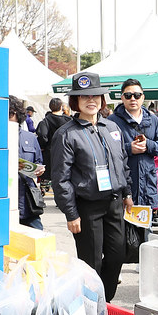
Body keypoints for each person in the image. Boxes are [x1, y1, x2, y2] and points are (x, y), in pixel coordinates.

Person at [51, 71, 133, 301]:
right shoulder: (66, 134)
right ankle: (91, 310)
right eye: (84, 96)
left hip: (114, 203)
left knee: (118, 256)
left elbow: (122, 163)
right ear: (75, 101)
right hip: (87, 208)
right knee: (91, 264)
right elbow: (60, 178)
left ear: (102, 99)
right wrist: (71, 212)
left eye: (95, 96)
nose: (91, 101)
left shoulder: (112, 128)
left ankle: (103, 303)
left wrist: (127, 192)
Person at [106, 79, 158, 216]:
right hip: (124, 185)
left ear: (143, 97)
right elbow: (106, 151)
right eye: (128, 95)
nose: (133, 99)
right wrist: (128, 149)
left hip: (148, 183)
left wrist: (148, 145)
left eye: (137, 95)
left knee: (146, 232)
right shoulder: (112, 121)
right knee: (123, 233)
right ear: (122, 98)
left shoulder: (153, 119)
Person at [10, 95, 46, 229]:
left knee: (38, 235)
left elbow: (38, 161)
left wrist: (39, 170)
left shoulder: (30, 138)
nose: (8, 117)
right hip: (5, 200)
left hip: (27, 202)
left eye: (11, 114)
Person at [35, 97, 72, 194]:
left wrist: (43, 146)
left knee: (50, 175)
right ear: (61, 107)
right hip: (67, 151)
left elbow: (42, 135)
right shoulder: (69, 120)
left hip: (50, 152)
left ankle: (47, 191)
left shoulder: (45, 121)